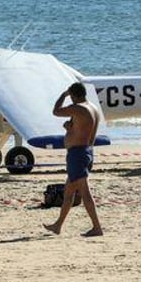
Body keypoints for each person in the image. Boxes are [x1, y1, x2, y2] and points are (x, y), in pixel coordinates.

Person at [43, 82, 103, 237]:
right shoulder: (92, 108)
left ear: (73, 95)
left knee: (84, 192)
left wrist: (63, 95)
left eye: (70, 96)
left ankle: (97, 227)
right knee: (69, 191)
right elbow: (86, 131)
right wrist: (71, 129)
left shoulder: (79, 108)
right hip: (86, 151)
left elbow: (56, 111)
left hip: (78, 154)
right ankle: (58, 225)